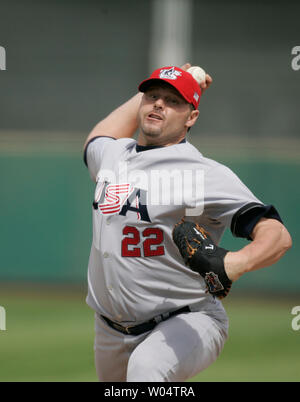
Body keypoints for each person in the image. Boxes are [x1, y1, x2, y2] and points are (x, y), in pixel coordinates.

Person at [83, 63, 292, 382]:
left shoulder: (202, 173)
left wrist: (236, 263)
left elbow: (277, 235)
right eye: (152, 96)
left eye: (173, 101)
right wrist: (176, 78)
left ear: (191, 117)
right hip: (109, 331)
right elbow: (97, 136)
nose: (158, 104)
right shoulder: (113, 155)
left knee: (147, 371)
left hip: (185, 319)